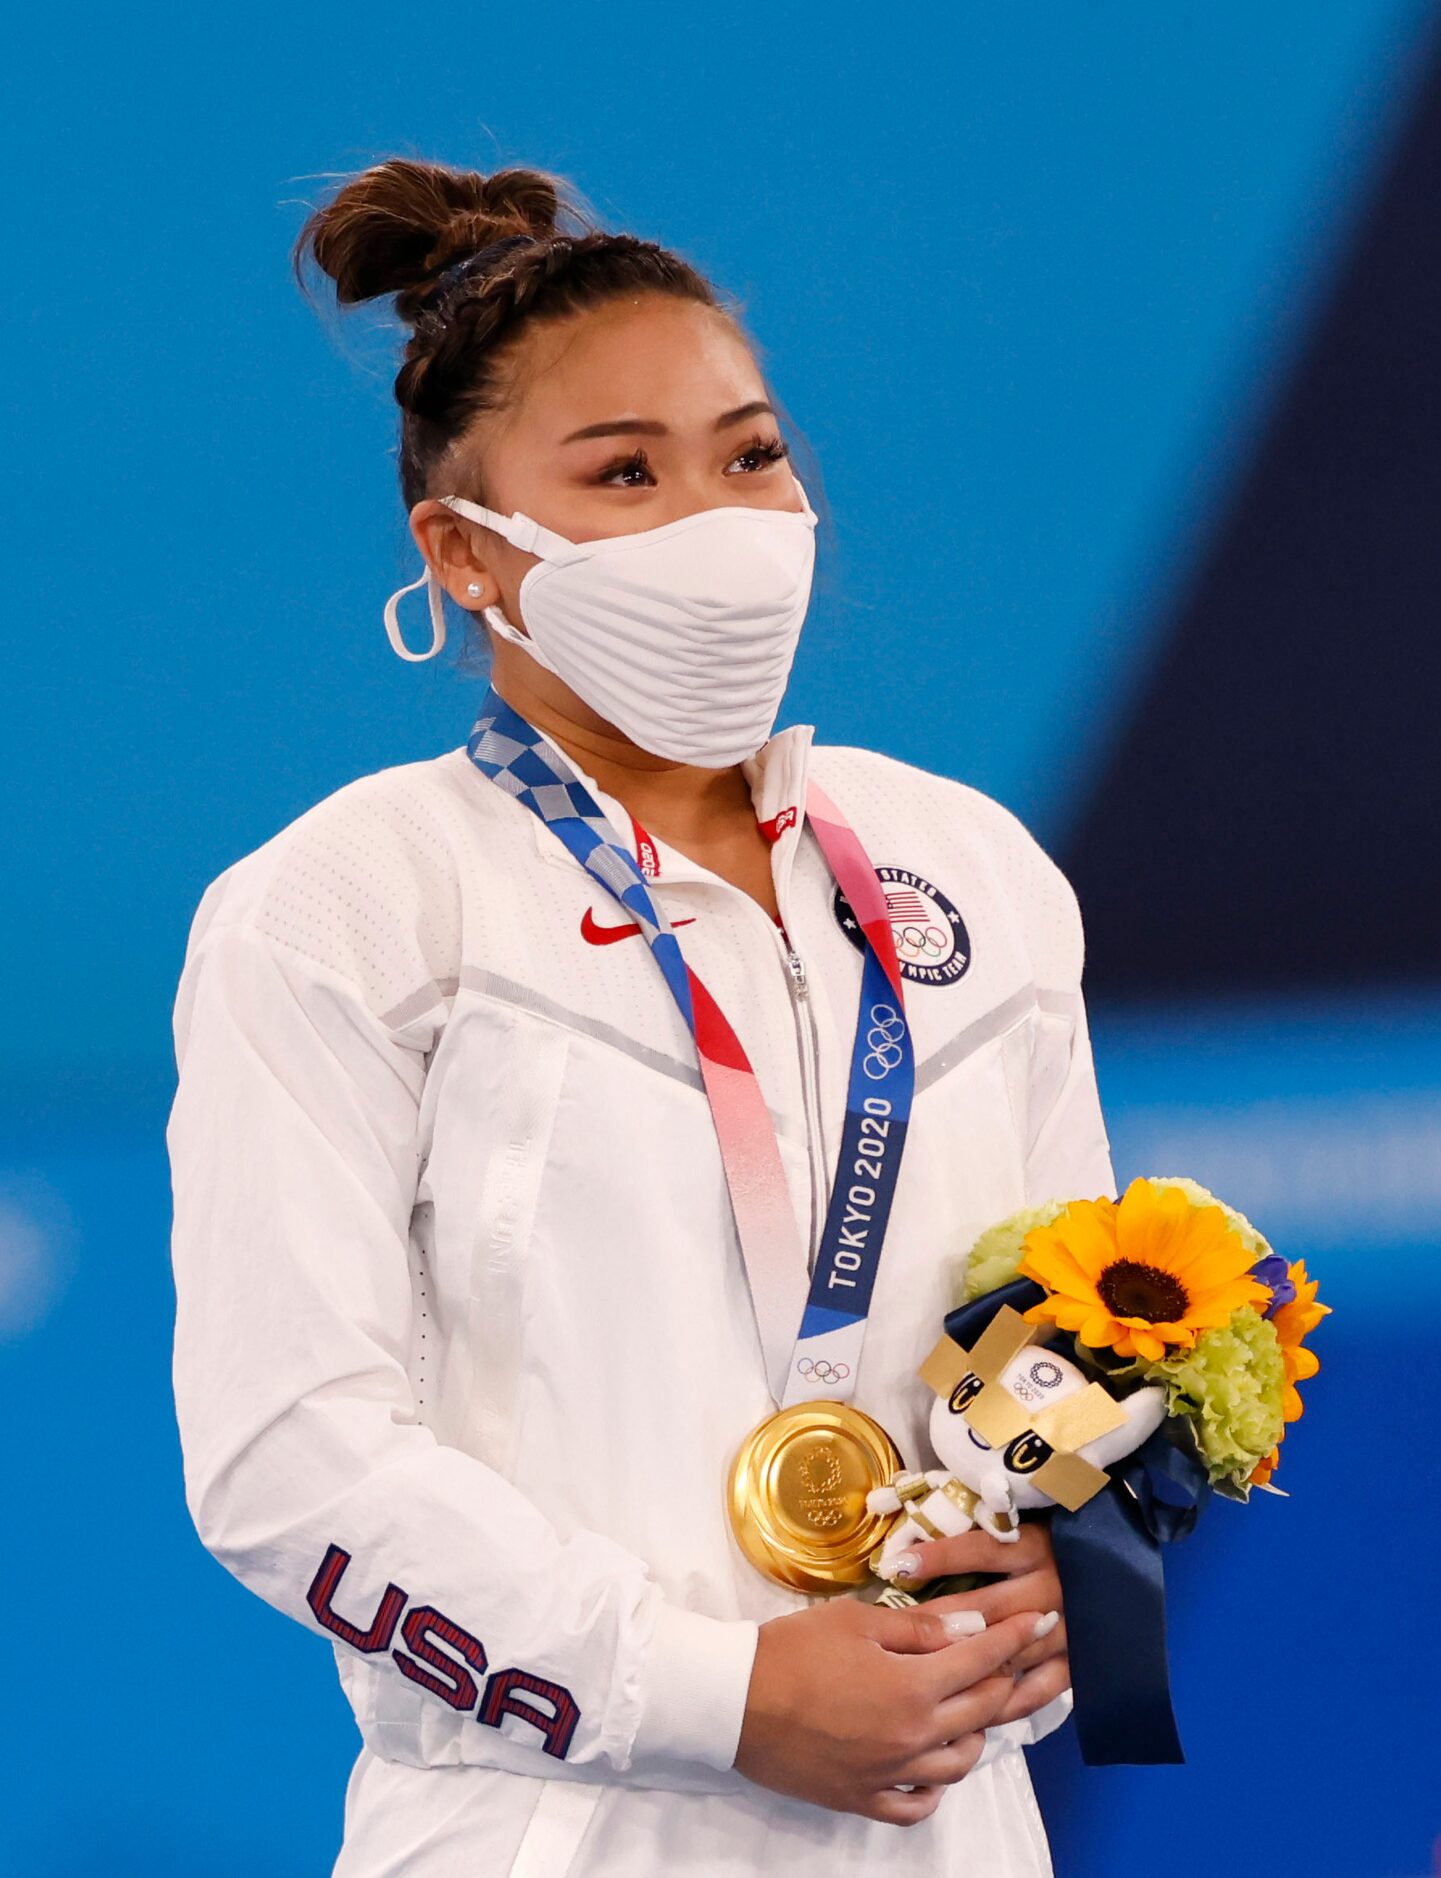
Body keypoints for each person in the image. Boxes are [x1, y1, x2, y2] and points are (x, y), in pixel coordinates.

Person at [166, 155, 1116, 1878]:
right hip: (560, 1829)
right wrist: (714, 1690)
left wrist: (1056, 1572)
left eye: (748, 455)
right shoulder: (351, 903)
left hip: (948, 1824)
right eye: (624, 475)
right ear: (464, 555)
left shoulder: (970, 867)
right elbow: (284, 1457)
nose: (720, 523)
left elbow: (1061, 1331)